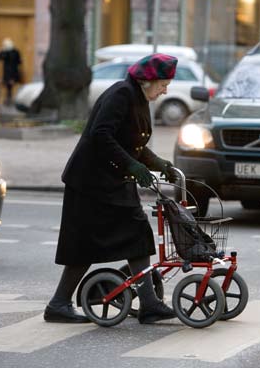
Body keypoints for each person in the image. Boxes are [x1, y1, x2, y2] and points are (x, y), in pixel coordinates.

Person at [44, 53, 179, 324]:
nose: (166, 90)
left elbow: (131, 143)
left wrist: (157, 164)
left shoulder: (138, 97)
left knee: (137, 236)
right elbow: (101, 135)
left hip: (112, 183)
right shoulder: (121, 94)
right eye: (163, 83)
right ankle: (58, 304)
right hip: (91, 183)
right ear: (147, 80)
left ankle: (150, 303)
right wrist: (133, 167)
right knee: (84, 245)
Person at [0, 37, 22, 105]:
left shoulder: (8, 52)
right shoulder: (14, 52)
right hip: (11, 72)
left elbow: (0, 57)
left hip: (10, 73)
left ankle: (10, 99)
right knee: (9, 87)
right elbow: (19, 62)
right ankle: (9, 99)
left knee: (10, 87)